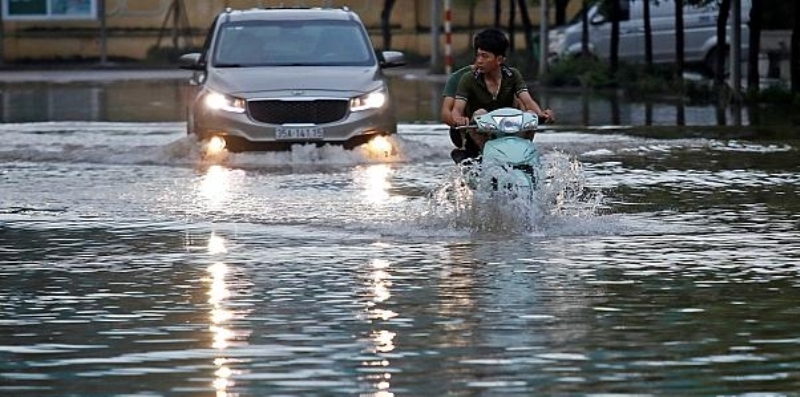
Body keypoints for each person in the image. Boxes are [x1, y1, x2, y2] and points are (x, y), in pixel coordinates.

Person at [450, 28, 554, 161]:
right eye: (478, 55)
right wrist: (459, 118)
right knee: (480, 113)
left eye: (485, 56)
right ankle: (485, 157)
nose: (479, 61)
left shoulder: (513, 75)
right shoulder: (468, 78)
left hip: (509, 131)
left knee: (530, 115)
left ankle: (523, 156)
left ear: (499, 59)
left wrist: (541, 114)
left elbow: (528, 101)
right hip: (478, 136)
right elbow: (456, 110)